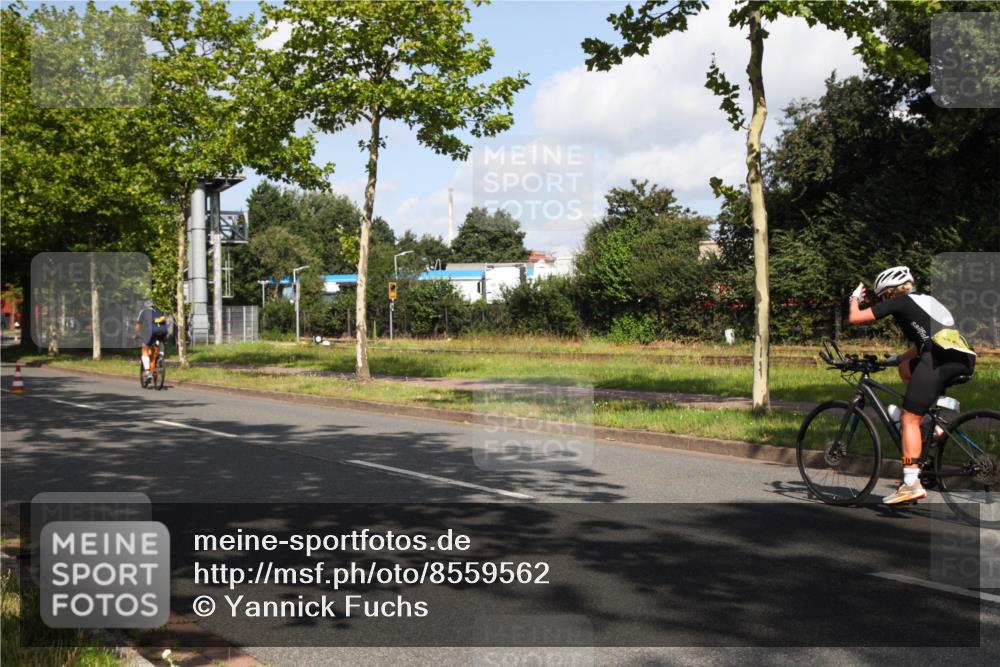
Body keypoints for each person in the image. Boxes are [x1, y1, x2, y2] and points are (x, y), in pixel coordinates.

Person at [847, 266, 976, 505]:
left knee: (908, 419)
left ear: (890, 292)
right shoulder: (927, 300)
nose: (884, 302)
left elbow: (855, 318)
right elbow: (922, 342)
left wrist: (854, 299)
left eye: (883, 297)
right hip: (962, 357)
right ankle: (930, 425)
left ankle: (910, 482)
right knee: (906, 369)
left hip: (938, 359)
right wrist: (898, 359)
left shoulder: (900, 301)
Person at [135, 302, 169, 381]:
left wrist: (137, 334)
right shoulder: (160, 311)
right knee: (160, 342)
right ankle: (161, 356)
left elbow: (138, 326)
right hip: (162, 332)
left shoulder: (143, 311)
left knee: (144, 349)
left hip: (150, 333)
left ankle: (147, 372)